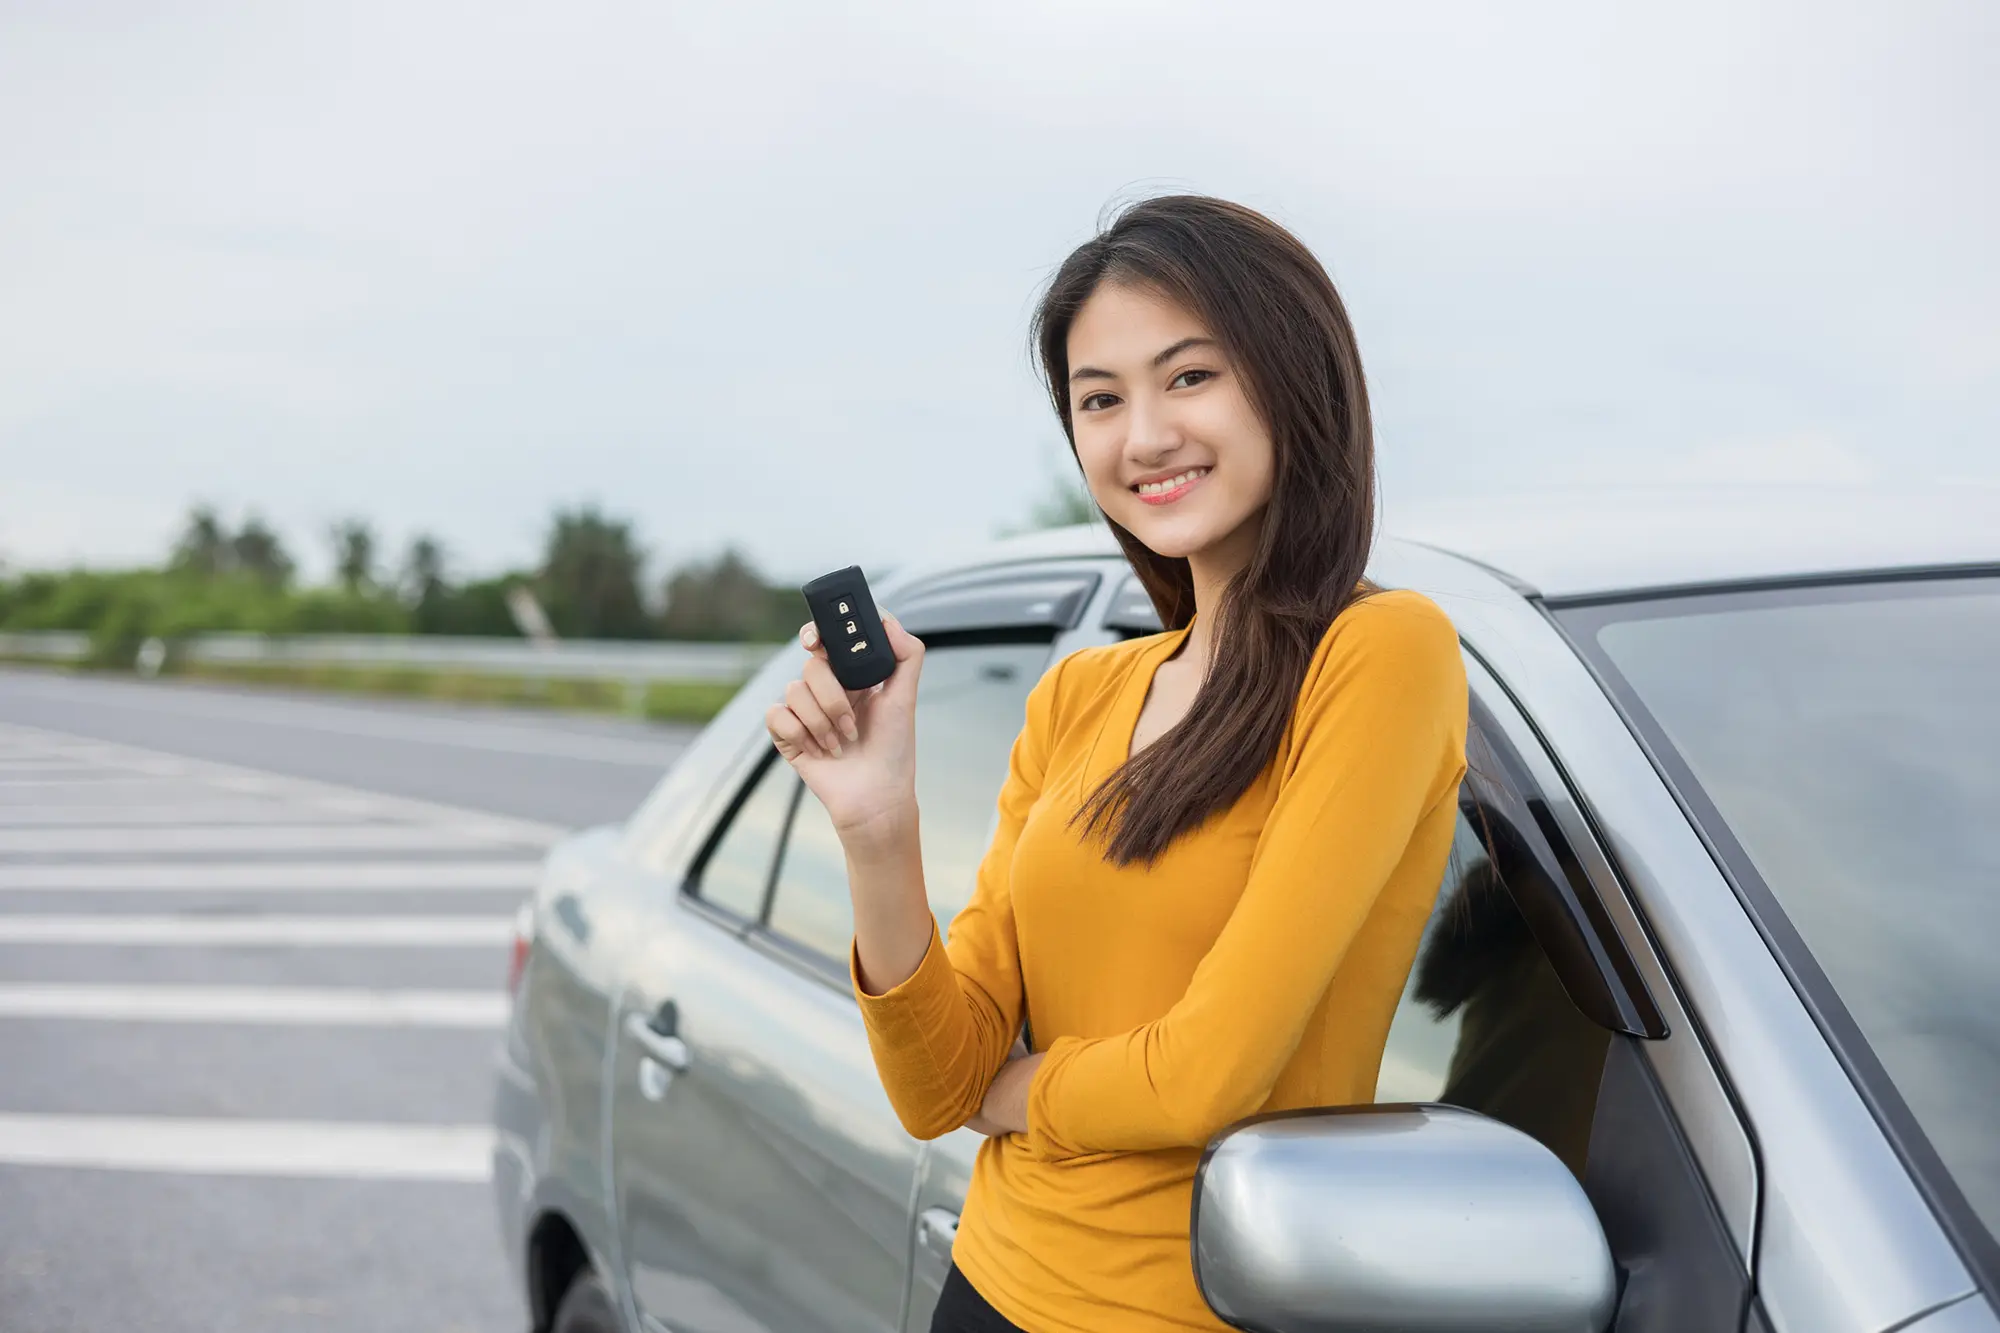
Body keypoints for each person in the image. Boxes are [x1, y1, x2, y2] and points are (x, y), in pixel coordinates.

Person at [764, 195, 1470, 1333]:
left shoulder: (1382, 652)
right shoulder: (1079, 695)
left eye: (1188, 377)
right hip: (991, 1285)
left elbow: (1211, 1073)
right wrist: (875, 822)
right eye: (1100, 400)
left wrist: (1019, 1091)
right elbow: (933, 1085)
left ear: (1296, 381)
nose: (1141, 437)